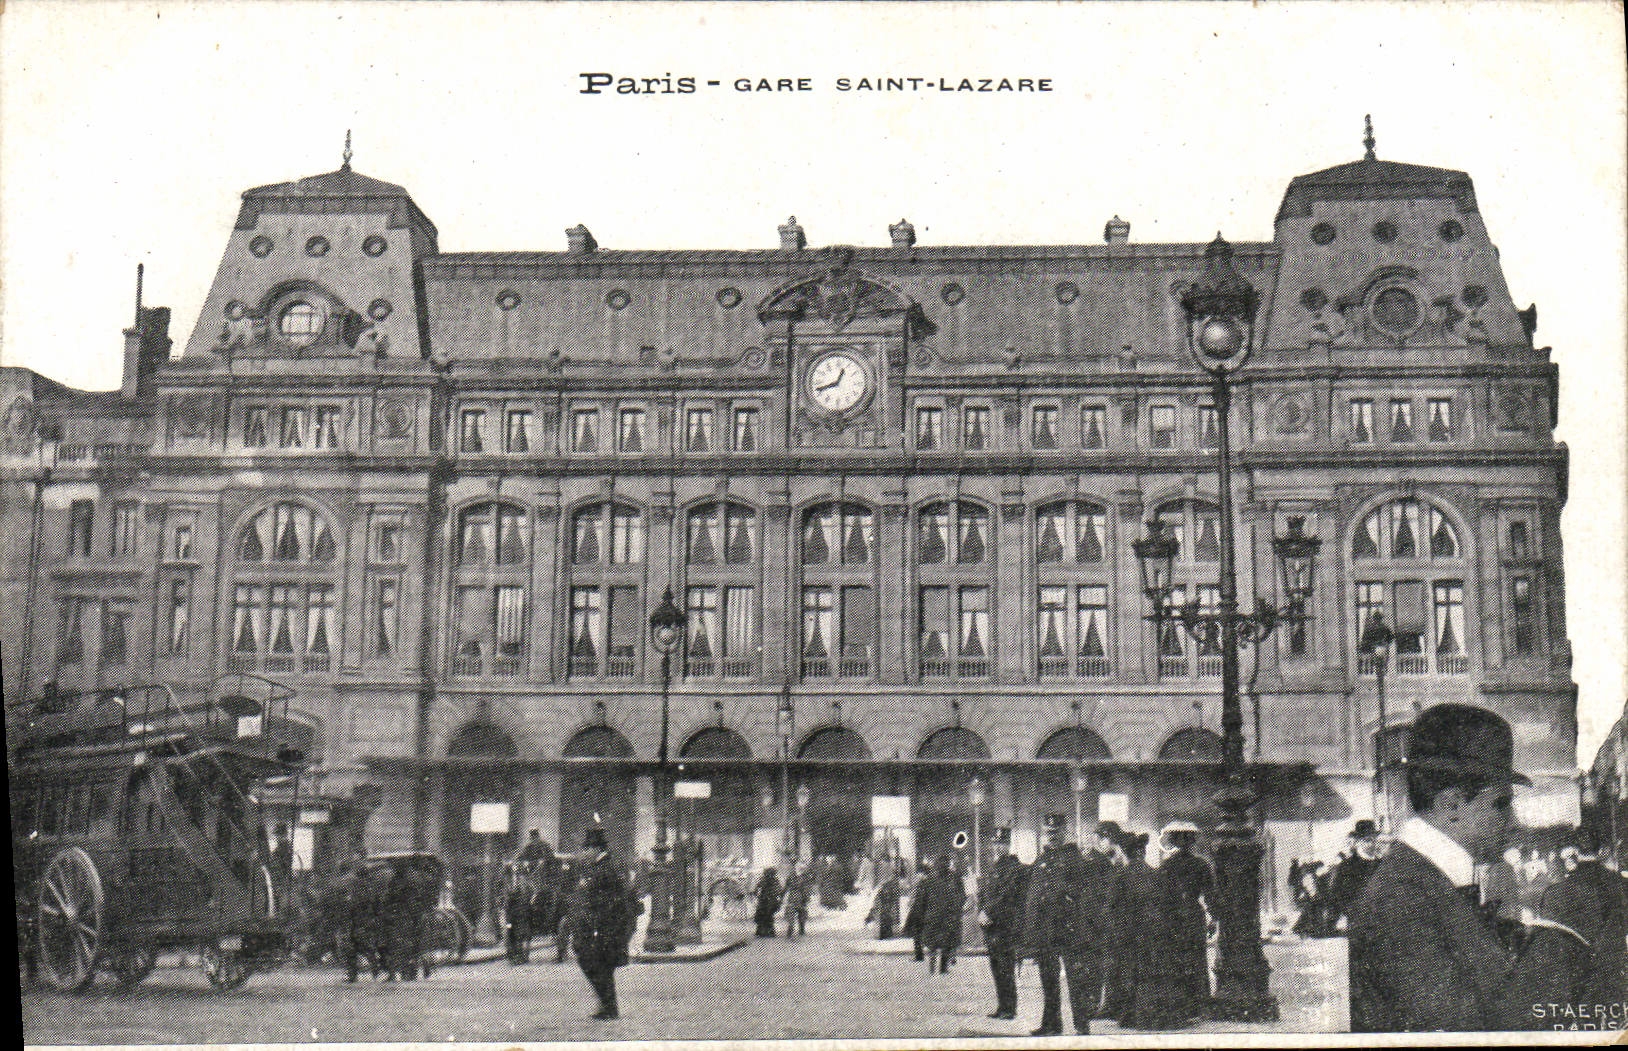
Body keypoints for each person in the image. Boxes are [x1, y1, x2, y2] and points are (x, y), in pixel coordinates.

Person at [1348, 703, 1582, 1032]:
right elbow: (1463, 1028)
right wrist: (1553, 952)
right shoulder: (1400, 898)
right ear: (1452, 805)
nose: (1513, 822)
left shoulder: (1423, 881)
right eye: (1501, 804)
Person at [1019, 814, 1102, 1036]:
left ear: (1065, 832)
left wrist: (1066, 899)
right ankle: (1051, 1024)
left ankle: (1082, 1025)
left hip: (1069, 928)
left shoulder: (1075, 859)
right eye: (1049, 832)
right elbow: (1033, 896)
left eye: (1056, 833)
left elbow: (1086, 893)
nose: (1052, 836)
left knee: (1076, 979)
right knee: (1048, 979)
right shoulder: (1041, 860)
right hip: (1046, 930)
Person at [1534, 827, 1627, 1005]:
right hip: (1614, 985)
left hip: (1569, 990)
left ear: (1573, 855)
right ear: (1603, 852)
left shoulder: (1553, 893)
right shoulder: (1621, 885)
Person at [572, 826, 634, 1020]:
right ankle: (608, 1006)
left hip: (604, 929)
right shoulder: (601, 867)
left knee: (595, 964)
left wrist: (597, 927)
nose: (585, 853)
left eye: (587, 849)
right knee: (600, 966)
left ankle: (609, 1007)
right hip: (602, 928)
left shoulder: (604, 869)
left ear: (597, 849)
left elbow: (609, 902)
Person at [977, 827, 1030, 1019]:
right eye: (996, 844)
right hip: (990, 927)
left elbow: (1006, 896)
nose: (998, 848)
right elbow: (983, 894)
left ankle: (1009, 1008)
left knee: (1006, 968)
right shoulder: (992, 869)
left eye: (1002, 844)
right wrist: (981, 912)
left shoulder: (1013, 868)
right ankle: (1001, 1006)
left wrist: (988, 912)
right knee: (996, 967)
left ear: (1008, 845)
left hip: (1004, 926)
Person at [919, 853, 964, 975]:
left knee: (936, 943)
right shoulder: (953, 878)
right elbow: (962, 895)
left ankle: (934, 969)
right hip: (944, 915)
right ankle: (941, 969)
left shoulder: (930, 879)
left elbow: (922, 899)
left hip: (937, 915)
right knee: (944, 942)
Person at [504, 863, 533, 964]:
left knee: (520, 935)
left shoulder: (527, 885)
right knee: (510, 932)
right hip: (511, 914)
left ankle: (520, 956)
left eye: (520, 874)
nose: (519, 876)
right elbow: (506, 900)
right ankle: (512, 954)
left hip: (522, 914)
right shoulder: (509, 883)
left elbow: (530, 898)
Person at [903, 859, 931, 961]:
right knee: (919, 932)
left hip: (919, 910)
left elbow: (915, 895)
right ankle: (920, 953)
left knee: (917, 932)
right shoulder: (928, 882)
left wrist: (911, 903)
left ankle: (919, 955)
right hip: (923, 910)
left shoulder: (920, 882)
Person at [868, 861, 902, 940]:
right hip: (884, 901)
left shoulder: (889, 883)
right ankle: (884, 933)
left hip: (884, 901)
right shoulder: (890, 883)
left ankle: (884, 933)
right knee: (885, 915)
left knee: (884, 915)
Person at [782, 861, 810, 939]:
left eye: (803, 868)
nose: (802, 870)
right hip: (793, 897)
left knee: (802, 914)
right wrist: (781, 896)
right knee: (791, 914)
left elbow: (807, 888)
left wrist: (807, 897)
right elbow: (786, 887)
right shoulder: (791, 876)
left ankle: (801, 929)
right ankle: (790, 931)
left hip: (802, 897)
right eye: (801, 868)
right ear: (797, 868)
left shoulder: (805, 876)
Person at [753, 867, 783, 938]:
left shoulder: (765, 880)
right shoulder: (774, 881)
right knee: (768, 916)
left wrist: (757, 895)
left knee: (764, 916)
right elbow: (779, 891)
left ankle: (762, 932)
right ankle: (768, 932)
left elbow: (756, 889)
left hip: (766, 901)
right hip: (769, 901)